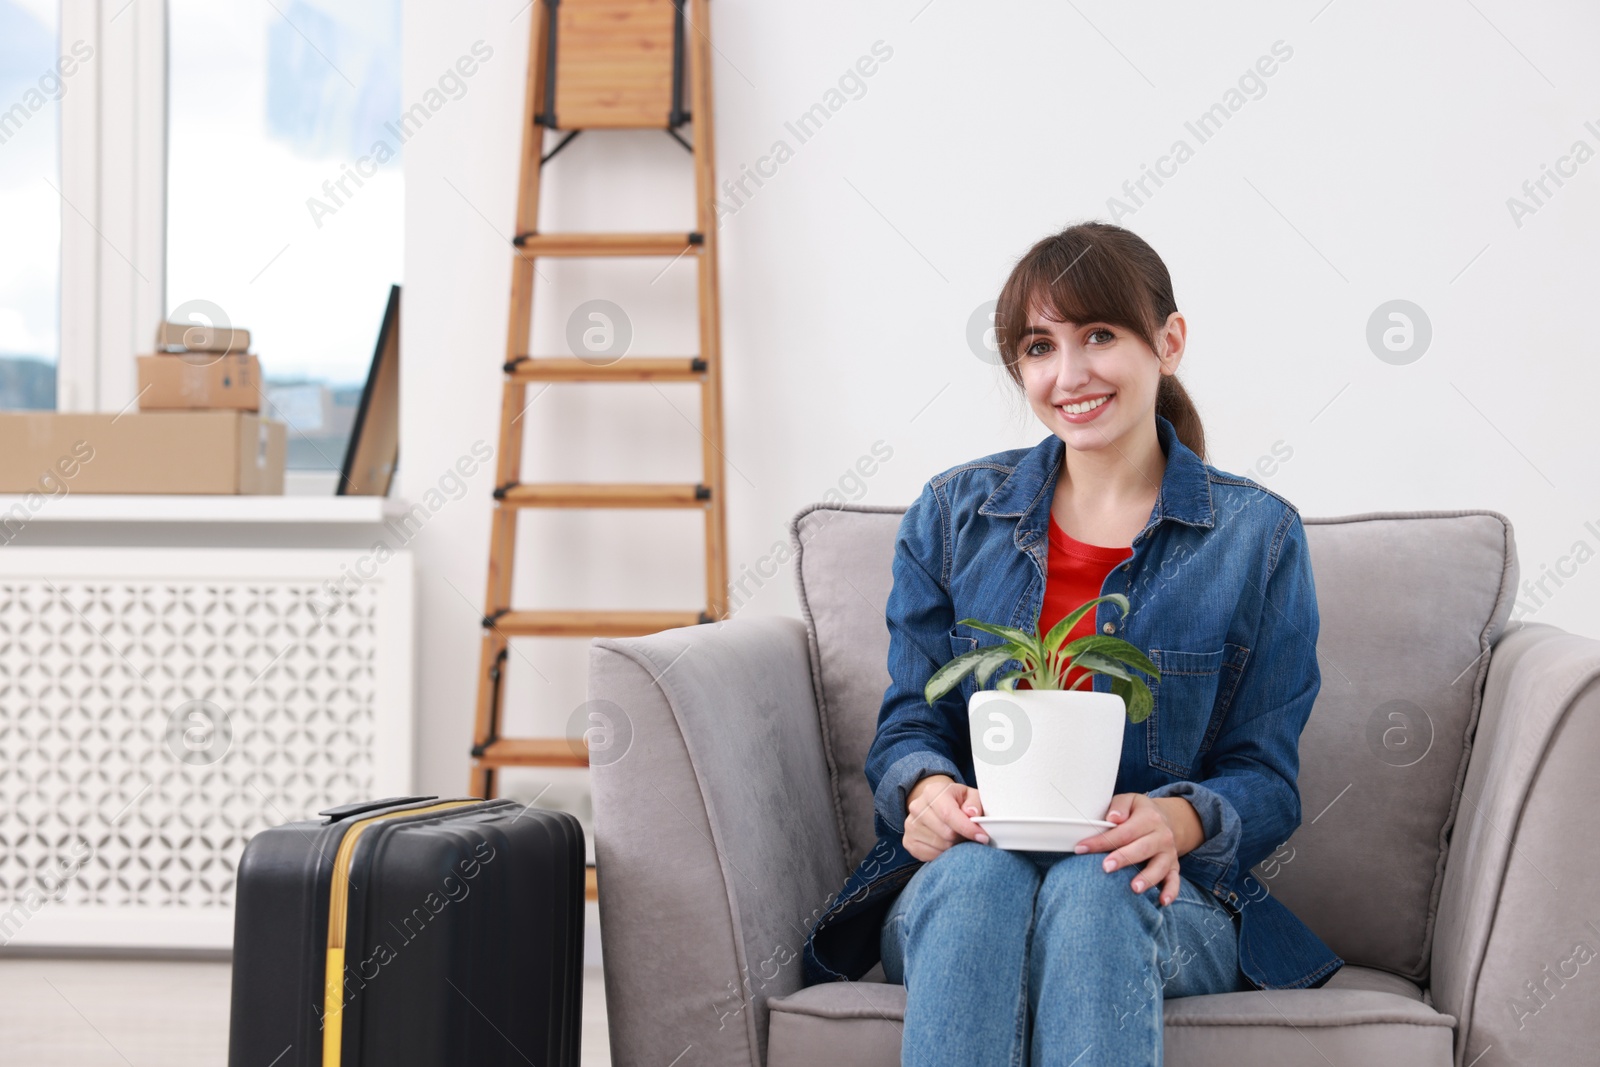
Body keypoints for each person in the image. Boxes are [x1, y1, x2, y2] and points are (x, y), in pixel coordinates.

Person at [800, 221, 1343, 1065]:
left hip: (1163, 900)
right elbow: (910, 726)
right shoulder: (952, 516)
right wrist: (926, 792)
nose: (1070, 373)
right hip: (966, 884)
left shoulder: (1256, 536)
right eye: (1039, 346)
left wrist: (1179, 817)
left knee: (1097, 886)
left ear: (1169, 341)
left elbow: (1266, 777)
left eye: (1099, 335)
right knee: (982, 879)